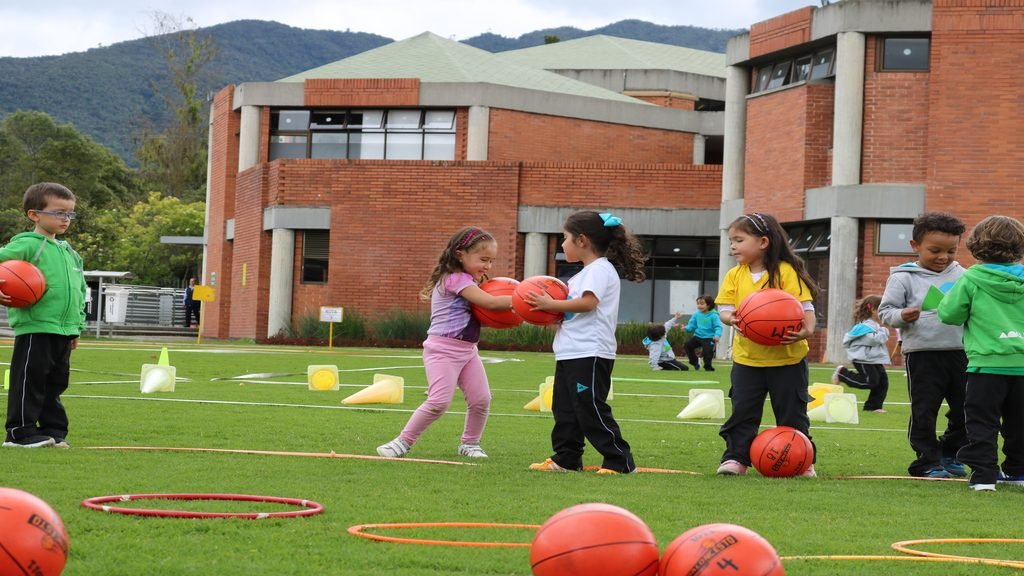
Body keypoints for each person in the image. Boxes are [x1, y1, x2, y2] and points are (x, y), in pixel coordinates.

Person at [525, 211, 646, 474]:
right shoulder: (582, 275)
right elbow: (574, 310)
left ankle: (619, 460)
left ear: (581, 240)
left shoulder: (600, 269)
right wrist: (555, 315)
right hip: (570, 352)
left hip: (590, 352)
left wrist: (550, 303)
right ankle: (566, 459)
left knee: (589, 406)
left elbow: (589, 304)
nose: (562, 243)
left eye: (564, 238)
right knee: (565, 409)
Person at [376, 226, 512, 459]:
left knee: (481, 400)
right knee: (438, 401)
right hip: (442, 350)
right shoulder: (455, 279)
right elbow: (490, 303)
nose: (488, 266)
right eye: (483, 259)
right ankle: (402, 442)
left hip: (468, 351)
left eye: (491, 261)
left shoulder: (470, 281)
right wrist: (527, 300)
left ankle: (470, 444)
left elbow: (480, 316)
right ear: (461, 254)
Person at [715, 212, 820, 477]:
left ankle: (802, 460)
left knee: (792, 414)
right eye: (731, 241)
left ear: (763, 242)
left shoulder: (786, 272)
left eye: (739, 240)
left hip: (788, 360)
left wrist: (807, 329)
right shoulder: (734, 275)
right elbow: (725, 309)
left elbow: (805, 307)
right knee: (743, 412)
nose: (733, 246)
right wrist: (732, 318)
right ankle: (736, 458)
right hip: (747, 359)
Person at [937, 215, 1024, 491]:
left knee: (981, 422)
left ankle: (984, 476)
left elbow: (949, 314)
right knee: (1020, 423)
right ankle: (1018, 472)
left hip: (986, 366)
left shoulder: (971, 278)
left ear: (976, 247)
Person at [879, 212, 968, 479]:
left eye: (951, 250)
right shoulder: (902, 277)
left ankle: (952, 453)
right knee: (924, 409)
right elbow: (886, 312)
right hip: (922, 355)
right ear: (915, 246)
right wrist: (901, 315)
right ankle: (927, 461)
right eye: (935, 250)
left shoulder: (964, 276)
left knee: (967, 407)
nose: (943, 257)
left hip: (962, 353)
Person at [0, 183, 87, 449]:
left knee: (56, 383)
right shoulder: (27, 245)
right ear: (34, 215)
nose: (66, 219)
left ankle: (53, 431)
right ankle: (20, 433)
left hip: (64, 330)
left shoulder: (71, 253)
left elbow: (80, 291)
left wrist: (76, 327)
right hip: (35, 327)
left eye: (70, 214)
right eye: (59, 212)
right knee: (30, 380)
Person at [832, 295, 891, 412]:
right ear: (873, 310)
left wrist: (882, 331)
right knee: (870, 381)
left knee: (883, 382)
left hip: (873, 359)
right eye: (882, 310)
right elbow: (873, 340)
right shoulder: (864, 326)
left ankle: (873, 406)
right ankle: (842, 373)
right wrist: (884, 331)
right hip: (863, 359)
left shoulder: (875, 326)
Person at [682, 294, 723, 371]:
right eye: (698, 304)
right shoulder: (696, 314)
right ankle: (694, 362)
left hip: (709, 338)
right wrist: (686, 328)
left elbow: (718, 327)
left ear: (709, 305)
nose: (699, 306)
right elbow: (692, 325)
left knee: (708, 353)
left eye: (702, 304)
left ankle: (708, 367)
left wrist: (717, 335)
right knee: (687, 345)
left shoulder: (714, 315)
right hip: (697, 336)